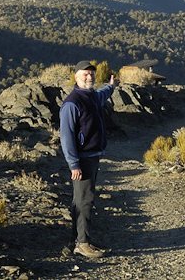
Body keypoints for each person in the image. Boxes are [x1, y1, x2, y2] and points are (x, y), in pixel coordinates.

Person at [59, 60, 118, 258]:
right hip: (82, 160)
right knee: (84, 200)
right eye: (85, 74)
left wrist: (111, 86)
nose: (89, 77)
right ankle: (82, 244)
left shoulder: (91, 96)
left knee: (81, 200)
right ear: (76, 76)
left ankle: (78, 239)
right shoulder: (72, 103)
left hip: (92, 156)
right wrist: (74, 164)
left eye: (92, 74)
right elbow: (66, 137)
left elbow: (102, 95)